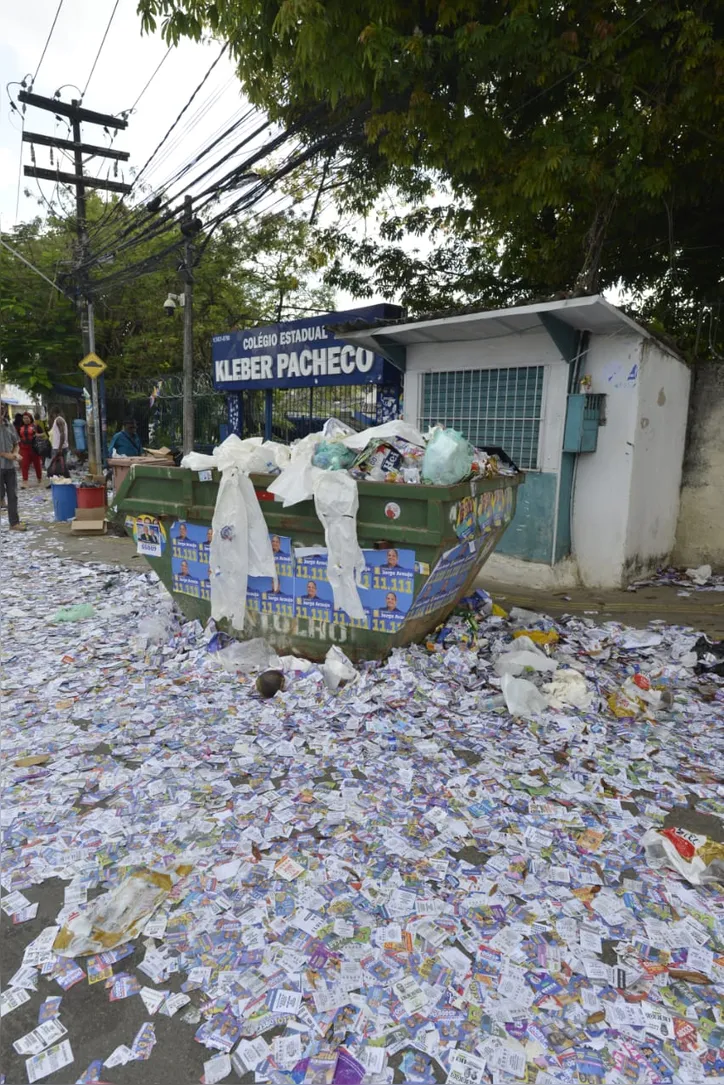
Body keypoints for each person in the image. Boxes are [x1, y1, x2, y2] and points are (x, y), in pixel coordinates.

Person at [0, 408, 27, 531]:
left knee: (13, 495)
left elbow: (16, 443)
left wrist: (15, 454)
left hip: (10, 467)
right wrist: (7, 455)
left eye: (2, 409)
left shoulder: (9, 426)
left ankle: (14, 523)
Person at [18, 411, 43, 488]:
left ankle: (40, 480)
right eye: (24, 418)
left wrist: (37, 435)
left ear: (30, 418)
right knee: (24, 465)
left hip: (34, 448)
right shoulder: (20, 427)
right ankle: (25, 482)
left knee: (37, 465)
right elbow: (18, 438)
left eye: (27, 418)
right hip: (24, 448)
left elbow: (44, 434)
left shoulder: (35, 426)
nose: (25, 419)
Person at [48, 407, 71, 480]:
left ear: (54, 413)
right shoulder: (60, 420)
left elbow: (62, 434)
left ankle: (58, 479)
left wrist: (60, 448)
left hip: (58, 447)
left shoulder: (59, 420)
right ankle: (59, 479)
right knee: (61, 465)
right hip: (59, 447)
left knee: (57, 466)